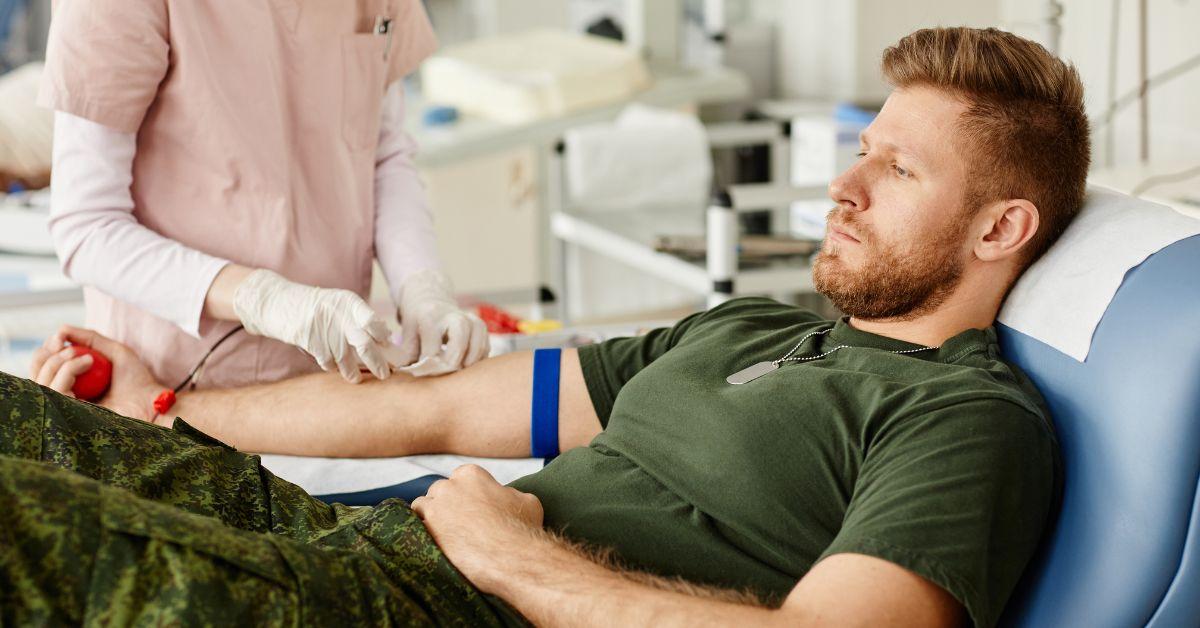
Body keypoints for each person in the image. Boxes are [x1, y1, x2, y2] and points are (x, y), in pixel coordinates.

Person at [8, 27, 1091, 627]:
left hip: (437, 603)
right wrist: (158, 407)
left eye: (894, 168)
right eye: (859, 148)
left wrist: (510, 559)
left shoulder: (963, 417)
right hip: (364, 545)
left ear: (1002, 225)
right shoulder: (743, 327)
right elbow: (440, 402)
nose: (842, 187)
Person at [35, 0, 488, 392]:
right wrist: (263, 298)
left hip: (338, 378)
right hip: (179, 387)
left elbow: (383, 155)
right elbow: (88, 227)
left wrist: (422, 287)